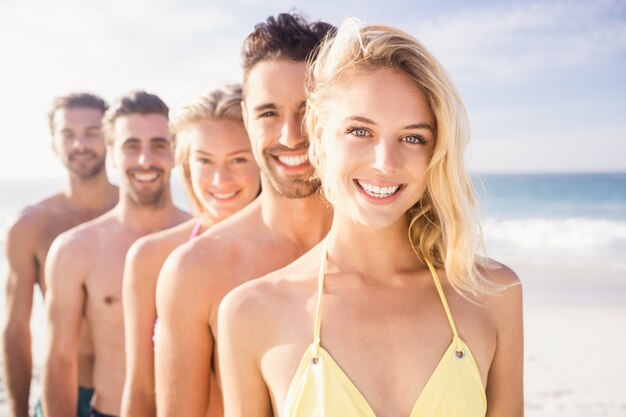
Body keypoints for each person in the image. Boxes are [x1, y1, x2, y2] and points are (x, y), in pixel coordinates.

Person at [218, 19, 524, 417]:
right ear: (319, 132)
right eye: (360, 131)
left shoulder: (491, 294)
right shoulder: (250, 312)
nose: (385, 163)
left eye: (413, 138)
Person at [155, 13, 335, 417]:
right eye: (268, 113)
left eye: (309, 111)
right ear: (248, 120)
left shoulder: (399, 249)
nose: (291, 136)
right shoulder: (195, 268)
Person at [42, 91, 190, 417]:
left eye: (159, 144)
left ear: (176, 151)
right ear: (111, 154)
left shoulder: (203, 238)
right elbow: (59, 360)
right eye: (131, 146)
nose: (145, 160)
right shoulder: (75, 249)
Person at [120, 84, 261, 417]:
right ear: (185, 163)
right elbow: (140, 387)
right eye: (204, 160)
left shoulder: (294, 255)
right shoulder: (150, 258)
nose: (220, 179)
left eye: (238, 159)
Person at [2, 93, 118, 417]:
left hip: (133, 392)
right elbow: (16, 332)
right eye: (68, 134)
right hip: (63, 392)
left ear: (110, 137)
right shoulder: (30, 226)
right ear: (54, 143)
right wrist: (18, 412)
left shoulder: (140, 219)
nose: (80, 143)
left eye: (92, 132)